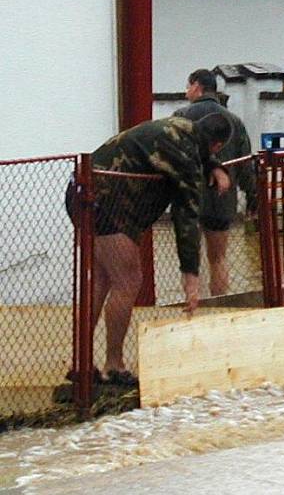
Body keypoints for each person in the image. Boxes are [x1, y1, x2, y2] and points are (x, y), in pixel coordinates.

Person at [67, 114, 232, 385]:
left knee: (102, 280)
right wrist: (191, 276)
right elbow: (187, 217)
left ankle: (81, 363)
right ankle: (114, 365)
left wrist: (214, 165)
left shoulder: (180, 126)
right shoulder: (188, 158)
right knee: (128, 281)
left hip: (82, 190)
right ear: (217, 145)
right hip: (105, 202)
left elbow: (192, 151)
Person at [173, 68, 256, 296]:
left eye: (188, 86)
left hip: (188, 197)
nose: (186, 91)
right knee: (218, 258)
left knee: (190, 261)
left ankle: (192, 310)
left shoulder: (181, 116)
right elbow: (245, 166)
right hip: (222, 198)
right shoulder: (235, 122)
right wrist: (252, 198)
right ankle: (219, 307)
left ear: (197, 87)